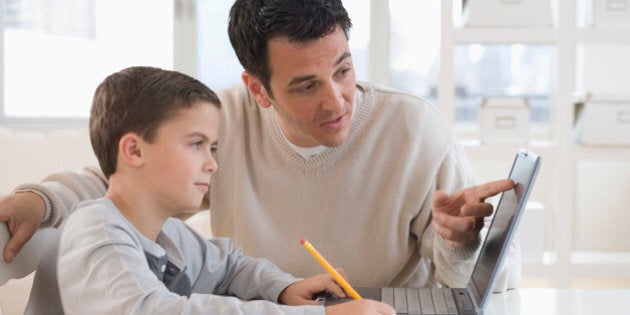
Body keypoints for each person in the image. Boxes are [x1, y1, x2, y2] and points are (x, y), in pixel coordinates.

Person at [1, 0, 518, 293]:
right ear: (258, 90)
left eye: (342, 69)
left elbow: (473, 289)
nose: (336, 101)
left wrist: (458, 243)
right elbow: (118, 182)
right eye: (305, 85)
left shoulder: (415, 129)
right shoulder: (220, 123)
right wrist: (40, 201)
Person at [23, 66, 394, 314]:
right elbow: (155, 311)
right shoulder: (96, 231)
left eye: (213, 148)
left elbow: (230, 266)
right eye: (196, 144)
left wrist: (284, 289)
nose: (212, 163)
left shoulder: (165, 232)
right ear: (134, 150)